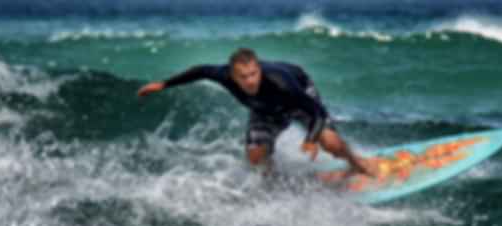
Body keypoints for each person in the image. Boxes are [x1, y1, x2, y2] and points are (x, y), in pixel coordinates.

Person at [137, 48, 373, 177]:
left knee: (330, 143)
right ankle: (275, 187)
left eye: (253, 74)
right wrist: (163, 84)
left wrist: (311, 140)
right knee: (256, 157)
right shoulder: (223, 75)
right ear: (232, 75)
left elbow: (317, 111)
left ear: (259, 69)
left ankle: (356, 164)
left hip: (297, 100)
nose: (250, 81)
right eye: (243, 77)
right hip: (264, 109)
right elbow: (200, 71)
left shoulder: (282, 82)